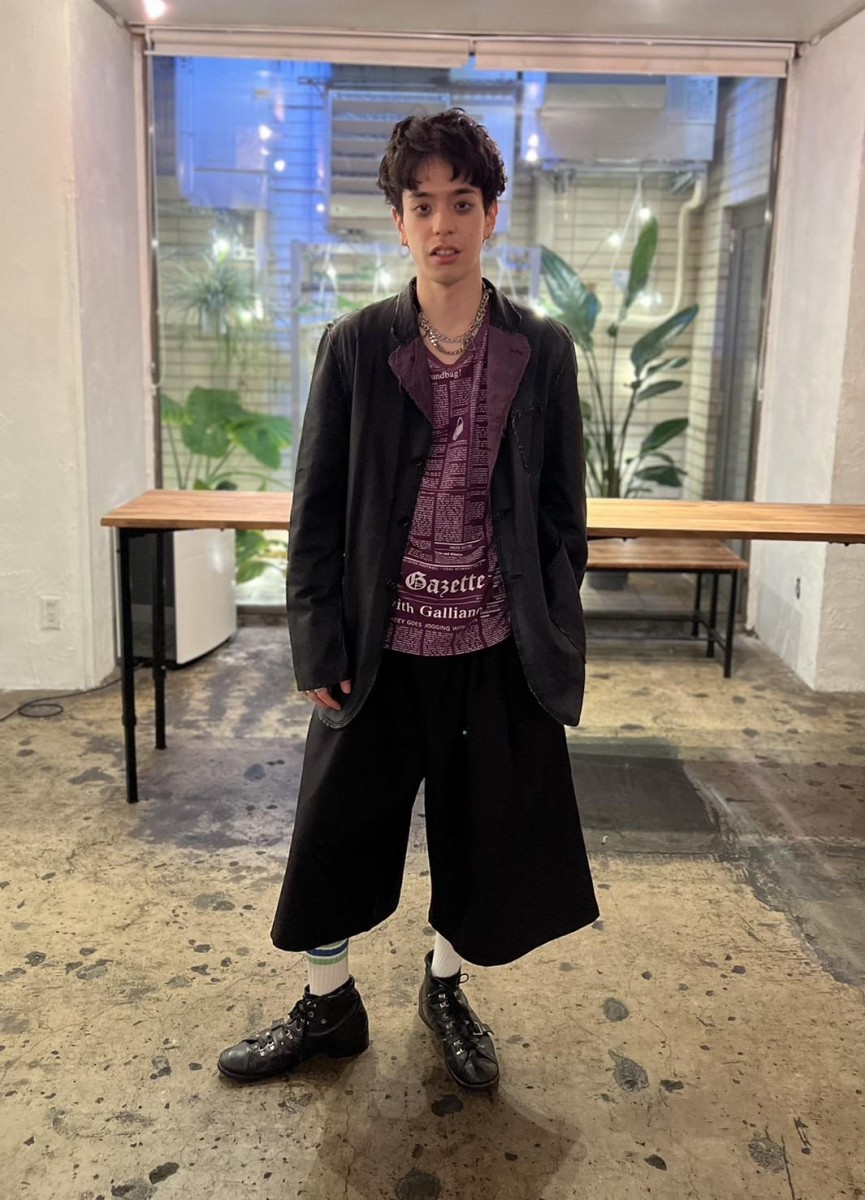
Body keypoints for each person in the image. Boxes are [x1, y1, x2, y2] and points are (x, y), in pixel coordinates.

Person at [218, 109, 598, 1092]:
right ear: (397, 221)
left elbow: (563, 513)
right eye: (421, 205)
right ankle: (328, 1004)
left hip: (493, 653)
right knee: (333, 836)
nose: (442, 225)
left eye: (460, 203)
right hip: (376, 651)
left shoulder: (541, 351)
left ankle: (444, 987)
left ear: (490, 213)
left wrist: (540, 613)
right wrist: (317, 641)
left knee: (482, 840)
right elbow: (315, 508)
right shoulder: (355, 348)